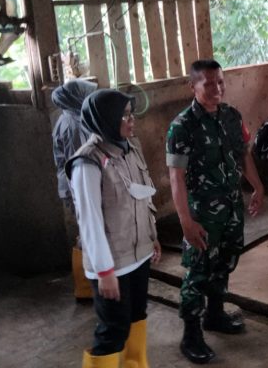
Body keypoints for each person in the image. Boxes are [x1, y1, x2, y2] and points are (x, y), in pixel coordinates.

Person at [166, 59, 265, 364]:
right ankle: (191, 334)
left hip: (232, 207)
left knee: (225, 261)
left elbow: (243, 156)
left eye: (220, 82)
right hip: (202, 214)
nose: (217, 88)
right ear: (192, 86)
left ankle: (215, 313)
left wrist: (258, 186)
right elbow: (176, 177)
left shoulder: (231, 116)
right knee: (198, 271)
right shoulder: (183, 126)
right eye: (208, 83)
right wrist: (185, 220)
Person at [66, 89, 161, 368]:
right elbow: (90, 221)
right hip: (112, 264)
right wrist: (104, 271)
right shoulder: (88, 161)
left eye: (132, 114)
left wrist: (152, 236)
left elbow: (144, 196)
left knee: (137, 316)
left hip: (138, 253)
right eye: (124, 116)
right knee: (113, 331)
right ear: (105, 119)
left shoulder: (130, 148)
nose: (131, 121)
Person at [51, 79, 97, 301]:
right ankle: (86, 288)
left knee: (86, 234)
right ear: (77, 98)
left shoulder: (70, 118)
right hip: (76, 187)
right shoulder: (73, 124)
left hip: (74, 186)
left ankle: (86, 286)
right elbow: (77, 162)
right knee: (87, 235)